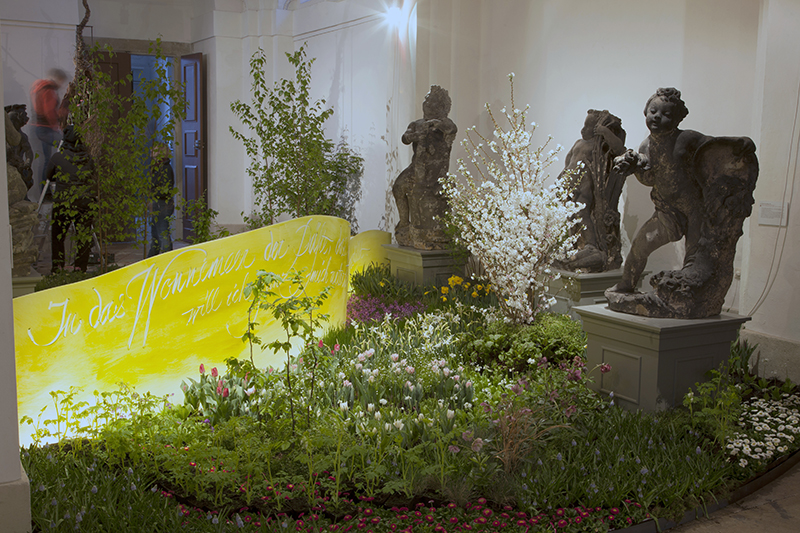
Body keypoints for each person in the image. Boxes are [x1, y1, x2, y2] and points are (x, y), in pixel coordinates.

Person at [558, 109, 626, 271]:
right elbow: (568, 162)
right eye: (584, 126)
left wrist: (605, 132)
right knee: (570, 216)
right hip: (569, 184)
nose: (583, 130)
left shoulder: (598, 146)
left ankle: (591, 245)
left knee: (582, 213)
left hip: (585, 186)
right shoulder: (578, 143)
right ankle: (575, 245)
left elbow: (619, 149)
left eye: (588, 127)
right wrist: (561, 179)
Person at [46, 125, 94, 272]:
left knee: (58, 236)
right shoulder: (88, 159)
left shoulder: (58, 158)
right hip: (85, 201)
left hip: (63, 201)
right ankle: (80, 268)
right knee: (83, 237)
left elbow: (49, 176)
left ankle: (58, 268)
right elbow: (93, 177)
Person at [30, 68, 68, 196]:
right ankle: (50, 189)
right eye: (62, 81)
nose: (62, 85)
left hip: (39, 127)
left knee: (46, 160)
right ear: (58, 78)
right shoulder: (49, 90)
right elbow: (49, 111)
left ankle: (45, 192)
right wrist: (57, 126)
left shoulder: (40, 87)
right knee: (65, 148)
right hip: (46, 129)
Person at [148, 143, 175, 257]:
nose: (151, 151)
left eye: (153, 150)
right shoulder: (157, 167)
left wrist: (151, 192)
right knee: (156, 235)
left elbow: (165, 190)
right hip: (158, 203)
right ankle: (151, 259)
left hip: (162, 204)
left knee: (163, 235)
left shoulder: (165, 169)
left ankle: (168, 258)